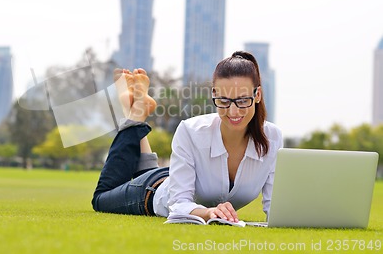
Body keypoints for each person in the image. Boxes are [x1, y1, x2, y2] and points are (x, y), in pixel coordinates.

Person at [91, 51, 283, 223]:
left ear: (257, 95)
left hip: (176, 178)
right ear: (214, 94)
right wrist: (208, 213)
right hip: (152, 192)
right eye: (223, 101)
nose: (233, 111)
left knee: (149, 174)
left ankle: (137, 111)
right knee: (101, 198)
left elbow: (276, 207)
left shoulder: (273, 138)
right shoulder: (191, 130)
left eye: (243, 100)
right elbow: (178, 203)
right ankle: (134, 114)